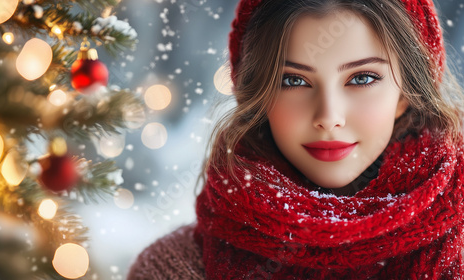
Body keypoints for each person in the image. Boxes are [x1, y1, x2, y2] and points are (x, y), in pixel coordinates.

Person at [128, 0, 464, 279]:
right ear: (260, 96)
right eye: (294, 81)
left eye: (362, 78)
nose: (329, 116)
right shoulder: (174, 268)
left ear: (405, 93)